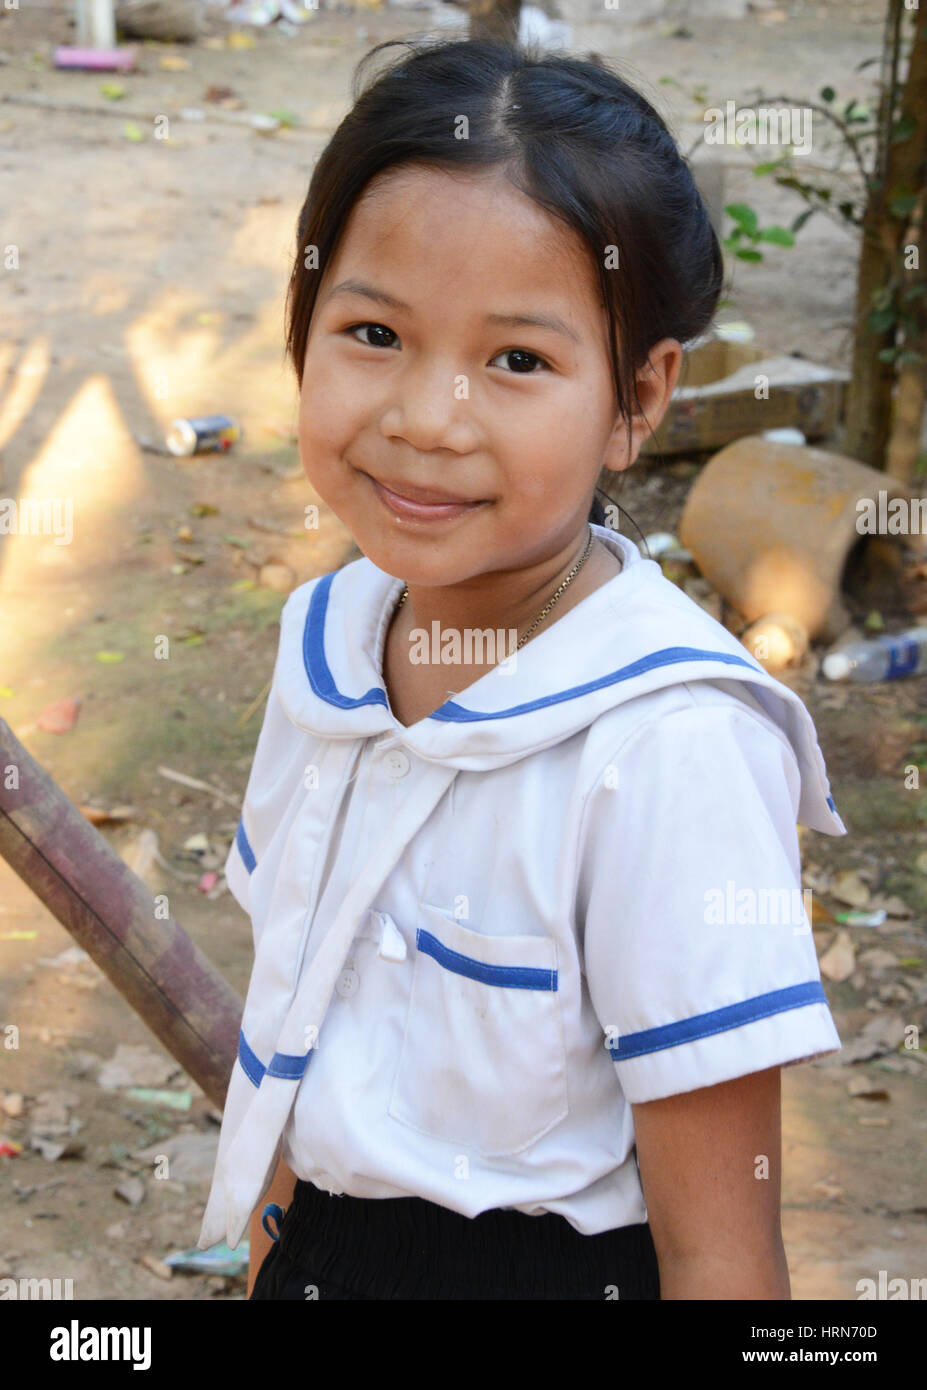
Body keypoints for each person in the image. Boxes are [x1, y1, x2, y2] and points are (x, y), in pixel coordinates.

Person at [197, 36, 845, 1300]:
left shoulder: (671, 746)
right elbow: (300, 1038)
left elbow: (722, 1248)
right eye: (373, 330)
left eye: (517, 361)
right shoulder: (326, 642)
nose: (428, 417)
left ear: (638, 398)